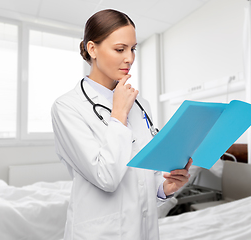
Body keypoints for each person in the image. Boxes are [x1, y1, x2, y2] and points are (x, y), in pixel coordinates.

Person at [51, 9, 192, 240]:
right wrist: (118, 114)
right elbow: (106, 177)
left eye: (133, 48)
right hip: (99, 232)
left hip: (143, 229)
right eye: (120, 49)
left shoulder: (140, 103)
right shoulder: (67, 107)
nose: (129, 58)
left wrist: (163, 188)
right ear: (92, 49)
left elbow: (145, 170)